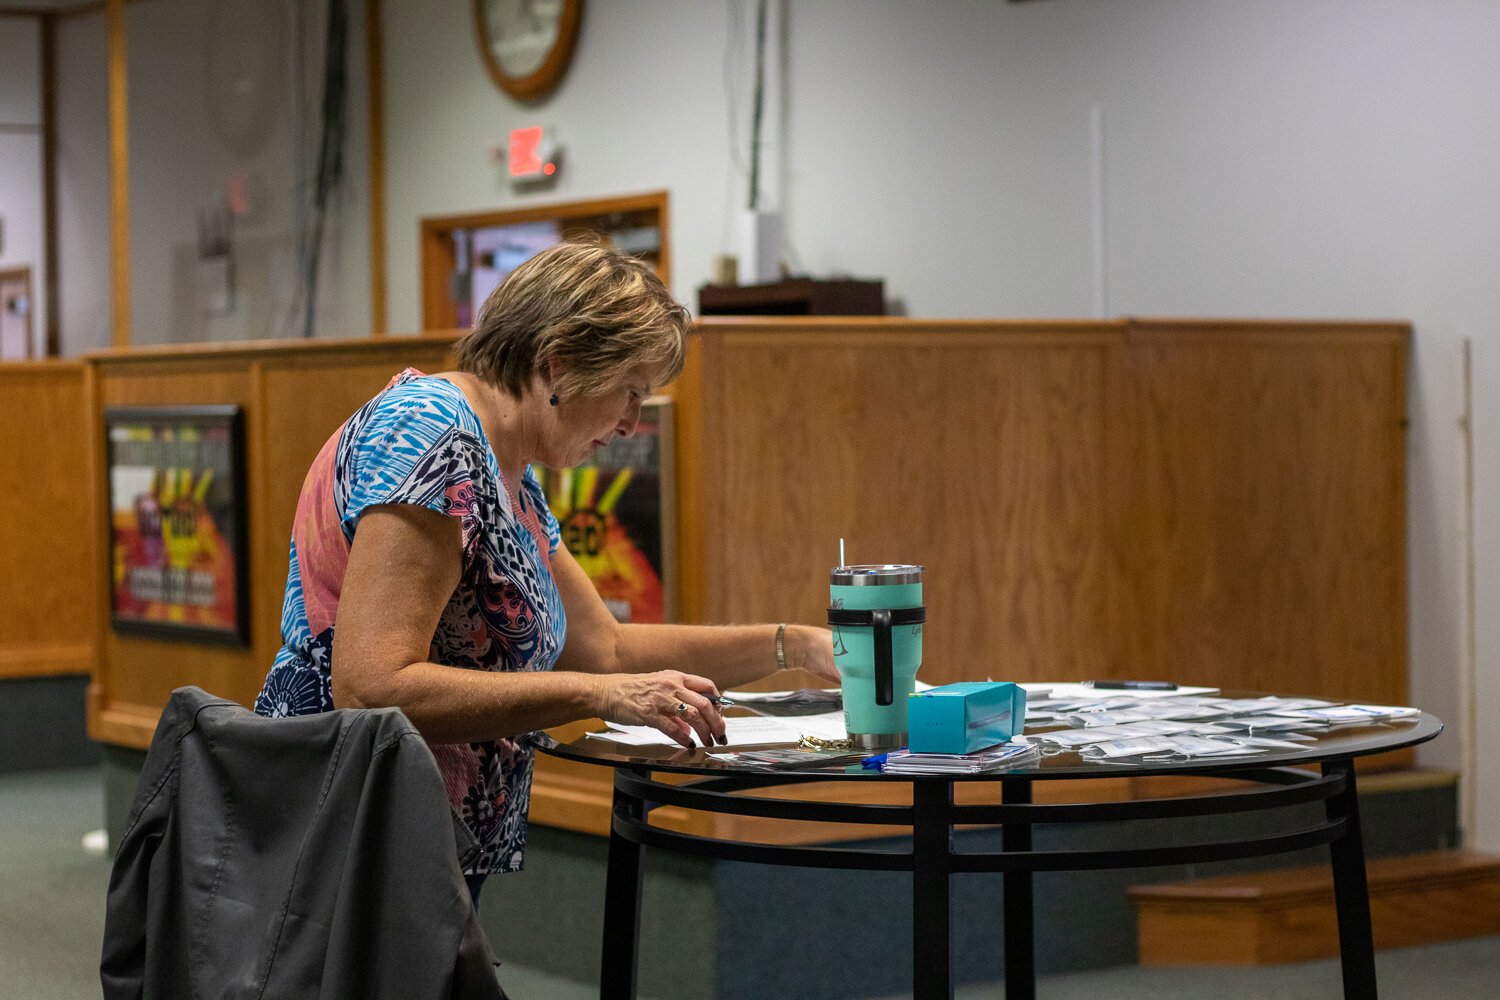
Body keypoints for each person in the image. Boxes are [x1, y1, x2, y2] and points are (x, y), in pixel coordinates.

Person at [252, 238, 836, 906]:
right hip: (347, 829)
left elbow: (606, 648)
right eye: (629, 393)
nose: (630, 424)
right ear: (559, 363)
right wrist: (594, 695)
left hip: (413, 833)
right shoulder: (430, 436)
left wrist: (795, 644)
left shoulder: (510, 474)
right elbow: (372, 686)